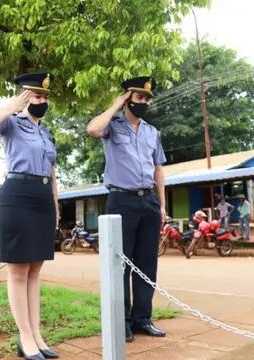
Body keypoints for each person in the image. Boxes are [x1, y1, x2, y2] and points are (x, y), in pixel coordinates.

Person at [0, 72, 59, 360]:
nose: (42, 100)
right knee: (19, 271)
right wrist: (12, 105)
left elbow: (52, 172)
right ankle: (24, 337)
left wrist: (56, 208)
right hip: (17, 196)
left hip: (42, 199)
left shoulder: (46, 131)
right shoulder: (11, 121)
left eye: (45, 96)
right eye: (36, 95)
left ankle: (36, 334)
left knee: (35, 270)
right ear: (24, 96)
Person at [86, 76, 167, 342]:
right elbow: (93, 130)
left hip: (149, 201)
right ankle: (121, 321)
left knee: (147, 263)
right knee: (121, 264)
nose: (144, 102)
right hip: (122, 200)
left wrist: (162, 205)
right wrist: (115, 105)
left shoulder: (152, 132)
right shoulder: (113, 126)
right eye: (139, 97)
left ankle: (143, 318)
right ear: (127, 98)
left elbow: (158, 169)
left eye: (147, 98)